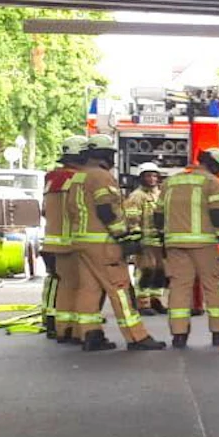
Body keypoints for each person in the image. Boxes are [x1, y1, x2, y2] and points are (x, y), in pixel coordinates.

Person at [68, 135, 164, 352]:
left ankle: (90, 335)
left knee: (88, 290)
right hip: (103, 244)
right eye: (111, 154)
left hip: (81, 243)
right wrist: (123, 237)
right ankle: (137, 337)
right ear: (103, 154)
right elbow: (106, 210)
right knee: (120, 288)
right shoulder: (101, 176)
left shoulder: (77, 178)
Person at [160, 147, 219, 348]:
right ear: (213, 165)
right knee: (213, 287)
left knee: (179, 288)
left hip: (174, 243)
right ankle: (218, 332)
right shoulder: (211, 183)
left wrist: (162, 243)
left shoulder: (170, 182)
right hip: (205, 244)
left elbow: (158, 215)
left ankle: (179, 335)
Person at [43, 137, 87, 341]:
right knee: (72, 283)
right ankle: (67, 324)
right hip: (70, 241)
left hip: (51, 239)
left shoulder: (51, 177)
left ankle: (52, 319)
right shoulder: (79, 179)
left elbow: (45, 210)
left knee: (54, 280)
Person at [123, 163, 169, 314]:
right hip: (145, 242)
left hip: (159, 241)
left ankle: (156, 300)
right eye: (148, 176)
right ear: (141, 178)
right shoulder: (137, 196)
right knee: (145, 271)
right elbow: (131, 218)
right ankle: (143, 303)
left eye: (154, 175)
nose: (152, 179)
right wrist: (135, 239)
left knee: (160, 272)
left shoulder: (160, 194)